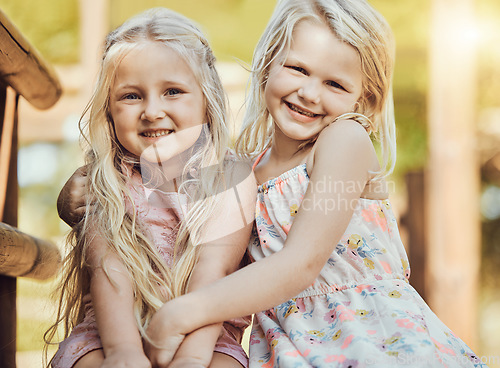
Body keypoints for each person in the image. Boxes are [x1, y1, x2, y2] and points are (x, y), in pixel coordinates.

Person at [138, 0, 488, 367]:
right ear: (269, 62)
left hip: (370, 338)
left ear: (363, 98)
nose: (309, 93)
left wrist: (183, 312)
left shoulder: (343, 141)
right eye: (298, 69)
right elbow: (147, 190)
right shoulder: (242, 173)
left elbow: (300, 263)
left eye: (335, 84)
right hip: (290, 345)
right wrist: (76, 195)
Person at [44, 7, 256, 368]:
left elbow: (214, 274)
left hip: (208, 334)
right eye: (131, 96)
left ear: (207, 100)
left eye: (173, 91)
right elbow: (110, 271)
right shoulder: (108, 180)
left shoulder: (229, 178)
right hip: (110, 333)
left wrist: (190, 356)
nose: (152, 111)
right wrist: (123, 352)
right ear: (108, 110)